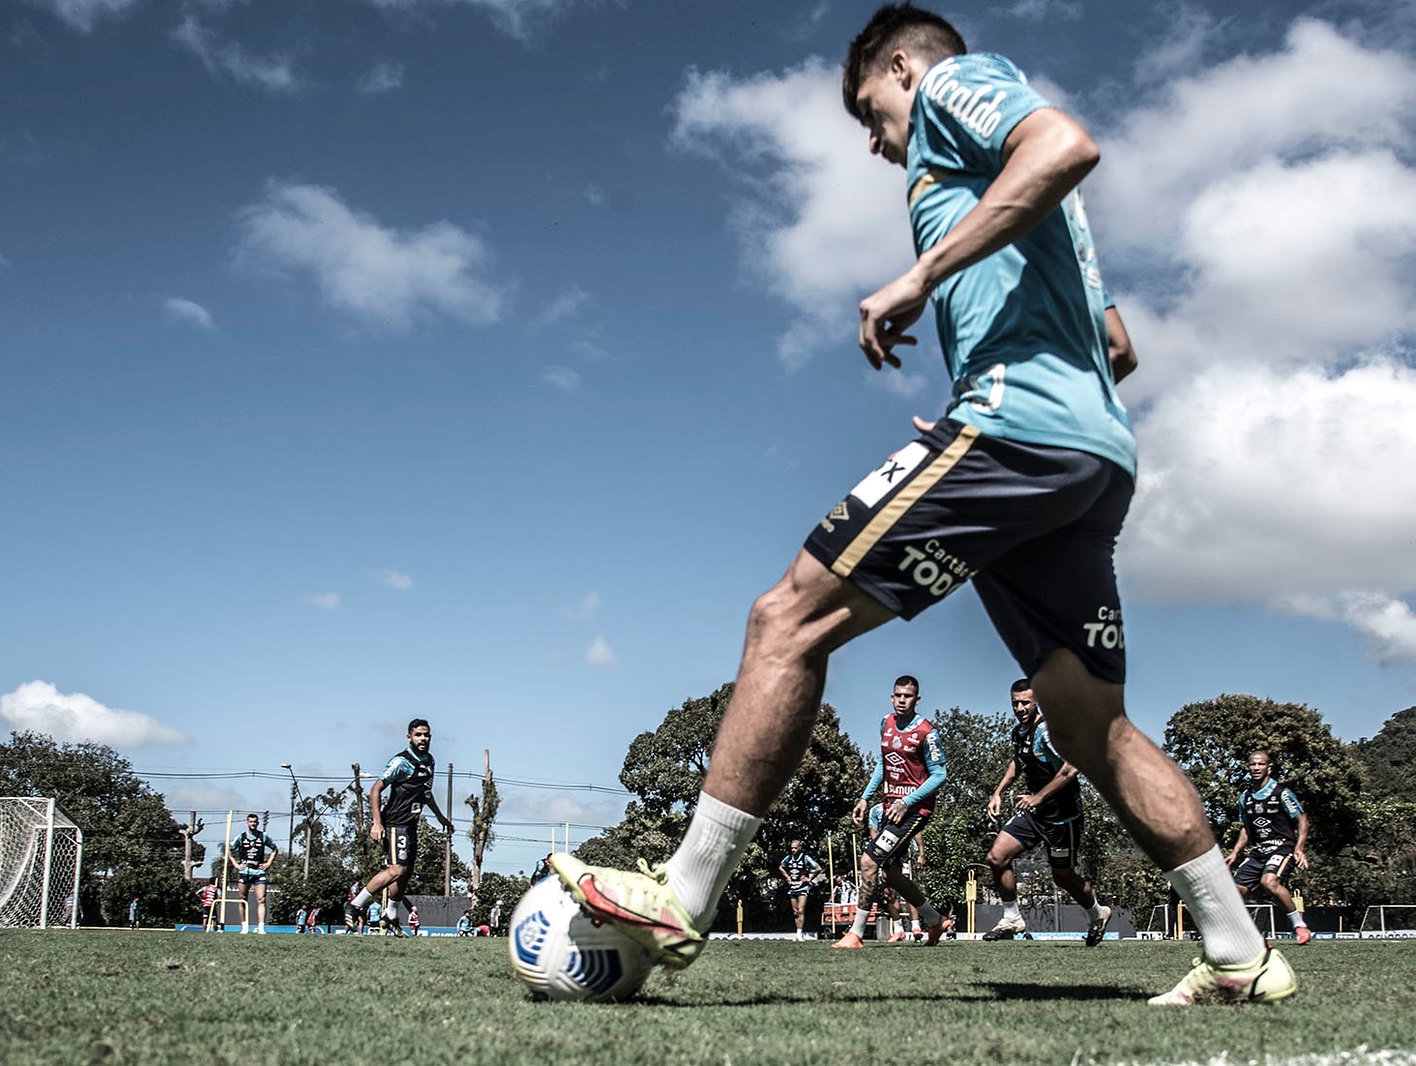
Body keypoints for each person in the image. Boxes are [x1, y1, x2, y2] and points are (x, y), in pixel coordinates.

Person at [548, 3, 1296, 1005]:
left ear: (901, 67)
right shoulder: (1044, 226)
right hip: (1087, 456)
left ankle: (682, 894)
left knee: (786, 619)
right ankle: (1240, 951)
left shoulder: (955, 84)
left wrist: (919, 282)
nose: (872, 140)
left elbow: (1066, 145)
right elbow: (1117, 347)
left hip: (1015, 435)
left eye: (869, 111)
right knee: (1091, 727)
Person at [983, 678, 1113, 946]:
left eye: (1025, 703)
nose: (1020, 708)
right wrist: (998, 792)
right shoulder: (1019, 732)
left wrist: (1038, 797)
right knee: (997, 857)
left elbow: (1071, 767)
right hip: (1034, 814)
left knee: (1062, 876)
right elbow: (1018, 762)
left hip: (1062, 818)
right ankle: (1011, 918)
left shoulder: (1048, 732)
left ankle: (1098, 913)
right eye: (1015, 703)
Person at [834, 677, 951, 948]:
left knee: (868, 862)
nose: (902, 700)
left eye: (908, 696)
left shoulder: (927, 732)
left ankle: (856, 934)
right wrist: (865, 797)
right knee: (892, 876)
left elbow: (940, 775)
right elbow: (883, 764)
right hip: (890, 809)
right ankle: (935, 920)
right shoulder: (885, 723)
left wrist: (907, 801)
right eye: (898, 695)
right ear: (891, 697)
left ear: (917, 700)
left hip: (914, 810)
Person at [345, 719, 455, 930]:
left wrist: (441, 818)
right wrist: (377, 823)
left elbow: (425, 793)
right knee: (396, 870)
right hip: (395, 823)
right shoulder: (401, 762)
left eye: (426, 735)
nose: (423, 739)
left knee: (406, 873)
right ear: (409, 737)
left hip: (411, 823)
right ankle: (355, 905)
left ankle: (391, 915)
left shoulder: (429, 761)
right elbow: (375, 790)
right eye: (418, 735)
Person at [1226, 751, 1311, 945]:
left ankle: (1300, 927)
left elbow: (1302, 820)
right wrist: (1235, 852)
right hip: (1259, 851)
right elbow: (1246, 829)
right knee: (1234, 892)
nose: (1256, 768)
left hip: (1282, 848)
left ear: (1269, 767)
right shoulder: (1245, 797)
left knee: (1269, 882)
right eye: (1252, 764)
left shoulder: (1281, 793)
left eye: (1261, 764)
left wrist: (1299, 848)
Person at [227, 813, 278, 934]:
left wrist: (268, 863)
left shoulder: (263, 836)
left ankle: (261, 927)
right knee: (243, 899)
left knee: (261, 899)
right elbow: (229, 849)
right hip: (245, 871)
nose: (253, 824)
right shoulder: (241, 837)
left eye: (255, 822)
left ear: (257, 823)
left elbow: (274, 849)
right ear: (247, 822)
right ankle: (244, 927)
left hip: (259, 872)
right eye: (250, 821)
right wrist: (235, 864)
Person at [881, 832, 927, 942]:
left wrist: (921, 854)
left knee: (907, 891)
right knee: (889, 894)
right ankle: (898, 930)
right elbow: (874, 832)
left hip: (902, 857)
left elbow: (917, 831)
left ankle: (916, 927)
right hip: (885, 858)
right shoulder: (878, 820)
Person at [777, 839, 823, 940]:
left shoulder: (805, 858)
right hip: (792, 887)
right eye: (792, 848)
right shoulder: (788, 858)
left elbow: (818, 868)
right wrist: (787, 877)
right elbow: (781, 867)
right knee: (795, 911)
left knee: (801, 910)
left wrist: (809, 878)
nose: (793, 850)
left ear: (800, 848)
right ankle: (797, 933)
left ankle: (800, 933)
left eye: (795, 848)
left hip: (802, 887)